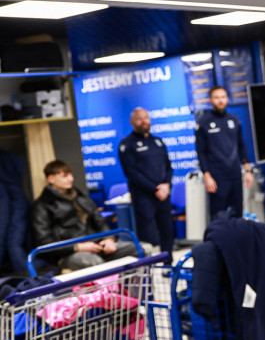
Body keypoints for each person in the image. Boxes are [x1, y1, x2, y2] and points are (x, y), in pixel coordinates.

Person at [31, 160, 138, 271]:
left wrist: (109, 238)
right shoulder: (42, 206)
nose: (71, 179)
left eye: (71, 174)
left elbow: (100, 221)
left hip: (98, 246)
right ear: (51, 179)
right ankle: (113, 282)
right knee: (95, 263)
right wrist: (77, 247)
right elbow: (44, 241)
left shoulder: (82, 197)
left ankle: (133, 282)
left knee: (142, 248)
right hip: (68, 254)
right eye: (65, 176)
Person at [118, 107, 174, 253]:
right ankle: (149, 264)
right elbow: (131, 173)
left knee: (167, 231)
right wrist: (155, 189)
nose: (144, 121)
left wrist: (166, 185)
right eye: (139, 119)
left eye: (146, 118)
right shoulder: (126, 144)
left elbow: (168, 166)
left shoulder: (158, 141)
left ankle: (168, 263)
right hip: (143, 197)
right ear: (132, 122)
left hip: (163, 194)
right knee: (147, 236)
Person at [195, 86, 254, 217]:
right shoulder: (203, 123)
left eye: (223, 97)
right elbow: (201, 152)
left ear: (227, 98)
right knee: (219, 217)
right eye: (216, 98)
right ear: (210, 100)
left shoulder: (234, 120)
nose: (220, 100)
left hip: (235, 174)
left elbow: (241, 145)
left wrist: (248, 170)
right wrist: (207, 176)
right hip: (217, 177)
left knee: (237, 214)